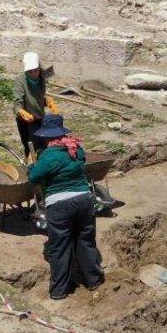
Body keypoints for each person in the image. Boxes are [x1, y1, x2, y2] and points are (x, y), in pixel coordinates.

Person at [28, 114, 104, 299]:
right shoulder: (76, 149)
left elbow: (34, 177)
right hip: (85, 200)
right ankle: (94, 280)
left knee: (60, 246)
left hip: (60, 205)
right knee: (85, 240)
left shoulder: (48, 155)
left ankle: (59, 290)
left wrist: (31, 167)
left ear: (46, 136)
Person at [13, 51, 58, 158]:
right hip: (26, 120)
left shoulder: (41, 77)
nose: (34, 74)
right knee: (30, 147)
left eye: (36, 70)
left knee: (43, 145)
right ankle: (31, 168)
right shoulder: (20, 81)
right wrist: (21, 112)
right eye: (30, 72)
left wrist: (48, 102)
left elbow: (39, 96)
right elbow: (17, 103)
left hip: (39, 117)